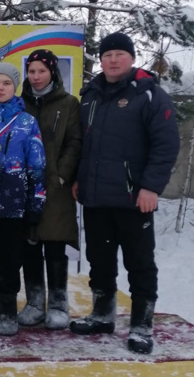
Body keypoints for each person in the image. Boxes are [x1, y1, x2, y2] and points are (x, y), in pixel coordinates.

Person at [70, 32, 180, 354]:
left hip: (134, 199)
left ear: (131, 58)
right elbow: (84, 145)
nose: (113, 60)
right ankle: (103, 315)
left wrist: (150, 187)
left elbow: (166, 144)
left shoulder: (149, 95)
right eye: (107, 55)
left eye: (119, 54)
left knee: (140, 263)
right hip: (95, 197)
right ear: (100, 61)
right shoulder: (89, 95)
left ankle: (142, 325)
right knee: (99, 260)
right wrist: (80, 178)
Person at [0, 63, 46, 336]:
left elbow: (37, 166)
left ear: (14, 86)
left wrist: (36, 202)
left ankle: (6, 308)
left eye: (6, 83)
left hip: (14, 205)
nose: (0, 88)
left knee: (10, 258)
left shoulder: (27, 121)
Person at [19, 49, 81, 330]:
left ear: (52, 72)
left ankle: (58, 304)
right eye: (31, 71)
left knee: (54, 246)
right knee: (29, 246)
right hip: (24, 187)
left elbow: (74, 142)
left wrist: (60, 176)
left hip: (55, 188)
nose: (36, 76)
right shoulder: (20, 103)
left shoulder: (68, 103)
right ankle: (34, 302)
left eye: (41, 71)